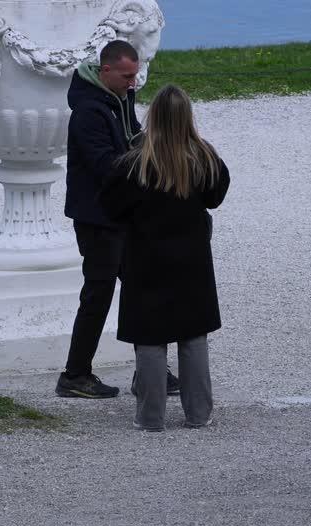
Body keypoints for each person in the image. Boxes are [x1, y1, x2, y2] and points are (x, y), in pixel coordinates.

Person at [98, 85, 229, 431]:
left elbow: (110, 205)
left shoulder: (135, 164)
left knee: (150, 338)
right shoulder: (203, 158)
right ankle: (199, 414)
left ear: (152, 117)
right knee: (193, 335)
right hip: (192, 258)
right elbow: (216, 197)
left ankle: (151, 417)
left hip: (146, 257)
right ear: (188, 118)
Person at [56, 39, 179, 400]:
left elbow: (129, 138)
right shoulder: (89, 111)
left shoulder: (117, 98)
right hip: (98, 217)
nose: (133, 82)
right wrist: (150, 162)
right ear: (105, 71)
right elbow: (105, 165)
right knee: (99, 294)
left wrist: (150, 146)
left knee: (141, 288)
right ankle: (75, 375)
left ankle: (150, 372)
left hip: (120, 212)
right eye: (127, 76)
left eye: (136, 75)